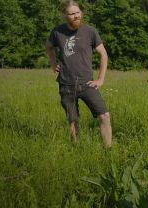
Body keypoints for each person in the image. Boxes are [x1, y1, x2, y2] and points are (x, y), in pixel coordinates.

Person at [45, 0, 112, 147]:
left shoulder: (90, 32)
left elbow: (103, 55)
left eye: (77, 13)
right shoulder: (57, 32)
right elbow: (49, 47)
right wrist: (53, 63)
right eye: (72, 14)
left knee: (104, 115)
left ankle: (108, 151)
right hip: (66, 85)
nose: (76, 16)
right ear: (65, 15)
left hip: (87, 84)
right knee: (72, 120)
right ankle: (76, 149)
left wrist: (100, 79)